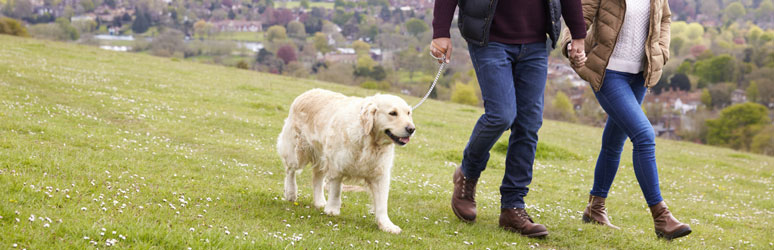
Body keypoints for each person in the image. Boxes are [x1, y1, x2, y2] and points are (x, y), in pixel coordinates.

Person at [431, 0, 587, 238]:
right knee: (501, 115)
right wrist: (441, 32)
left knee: (529, 125)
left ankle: (513, 207)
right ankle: (467, 174)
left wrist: (578, 35)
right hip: (489, 39)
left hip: (535, 43)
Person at [561, 0, 691, 240]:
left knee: (613, 142)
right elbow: (578, 16)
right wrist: (571, 44)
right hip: (607, 72)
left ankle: (595, 208)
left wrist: (661, 51)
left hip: (639, 75)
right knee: (644, 135)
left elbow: (665, 18)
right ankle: (661, 217)